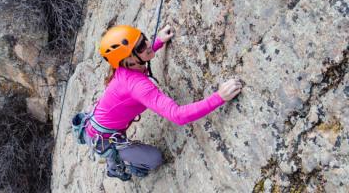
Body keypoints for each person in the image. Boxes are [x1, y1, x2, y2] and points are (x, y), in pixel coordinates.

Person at [82, 25, 242, 181]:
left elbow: (141, 54)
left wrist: (158, 41)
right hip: (104, 139)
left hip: (102, 126)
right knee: (155, 159)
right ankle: (121, 164)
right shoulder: (138, 86)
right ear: (128, 59)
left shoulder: (125, 66)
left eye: (144, 38)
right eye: (140, 46)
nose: (147, 44)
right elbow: (177, 115)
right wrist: (219, 97)